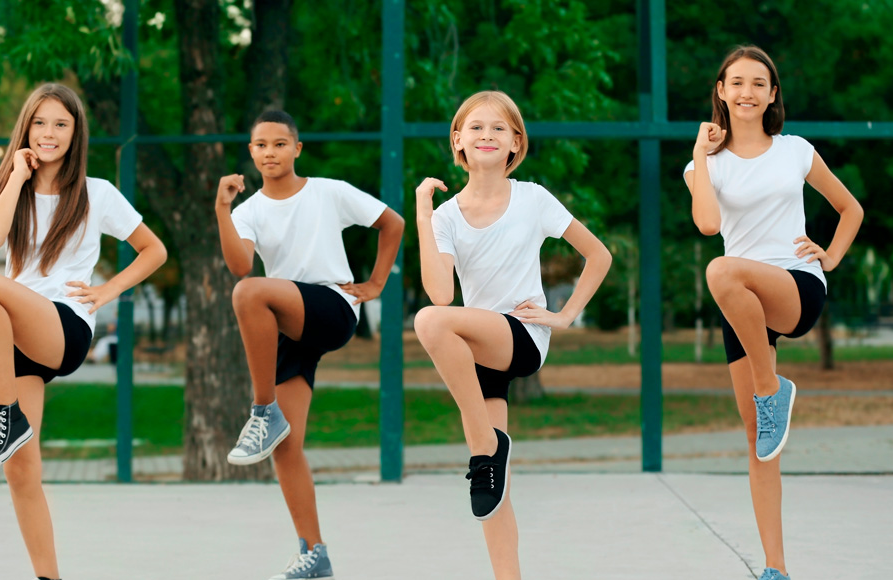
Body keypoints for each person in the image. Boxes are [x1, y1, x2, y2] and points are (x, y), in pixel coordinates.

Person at [0, 83, 167, 580]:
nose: (49, 133)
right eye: (40, 123)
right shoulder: (6, 186)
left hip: (64, 327)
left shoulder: (97, 193)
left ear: (76, 134)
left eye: (61, 124)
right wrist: (16, 176)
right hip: (18, 335)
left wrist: (106, 291)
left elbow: (154, 250)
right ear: (26, 129)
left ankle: (3, 415)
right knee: (20, 473)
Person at [413, 91, 611, 579]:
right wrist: (421, 213)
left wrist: (564, 316)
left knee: (428, 322)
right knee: (492, 491)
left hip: (520, 337)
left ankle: (485, 449)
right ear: (458, 139)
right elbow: (440, 290)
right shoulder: (445, 217)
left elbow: (599, 255)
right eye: (475, 127)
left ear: (514, 143)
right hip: (477, 353)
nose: (486, 135)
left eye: (498, 129)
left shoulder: (533, 198)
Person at [683, 46, 864, 580]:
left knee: (720, 271)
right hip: (741, 309)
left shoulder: (796, 151)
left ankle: (771, 392)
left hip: (793, 286)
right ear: (721, 91)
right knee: (759, 443)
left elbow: (850, 207)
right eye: (736, 82)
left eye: (758, 83)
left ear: (772, 94)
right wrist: (700, 151)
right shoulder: (704, 165)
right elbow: (709, 226)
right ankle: (776, 569)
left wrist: (829, 255)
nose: (746, 92)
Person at [215, 110, 404, 580]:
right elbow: (240, 262)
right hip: (287, 322)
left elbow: (393, 223)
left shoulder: (328, 191)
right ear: (251, 152)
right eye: (261, 145)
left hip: (332, 307)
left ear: (297, 149)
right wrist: (221, 209)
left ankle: (261, 412)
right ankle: (314, 551)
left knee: (249, 293)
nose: (270, 152)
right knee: (286, 446)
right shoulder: (249, 211)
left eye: (280, 144)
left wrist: (377, 281)